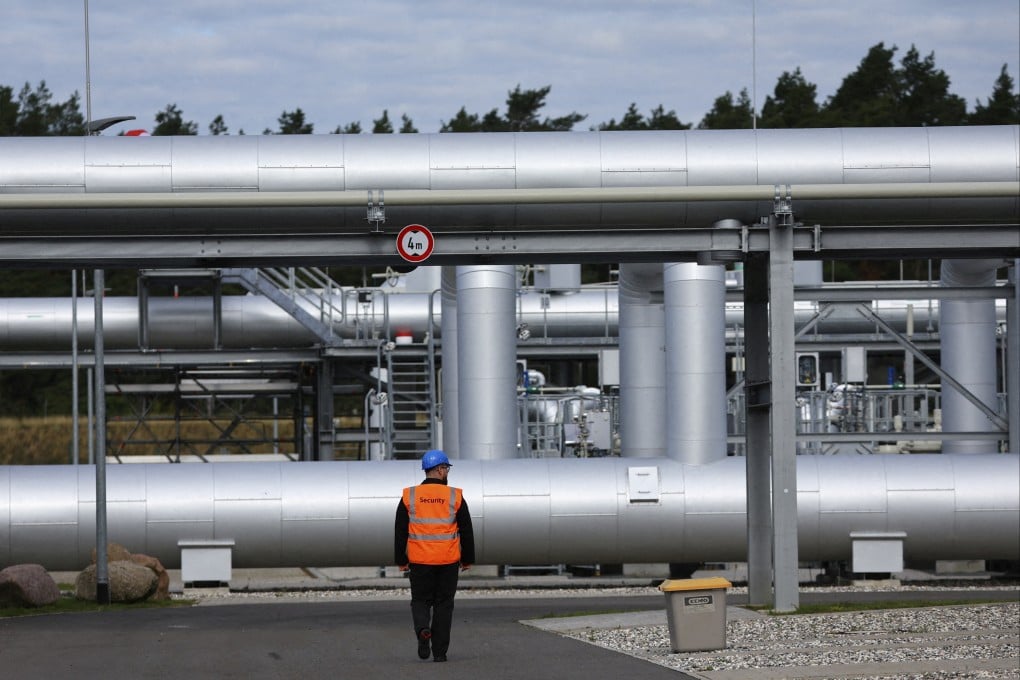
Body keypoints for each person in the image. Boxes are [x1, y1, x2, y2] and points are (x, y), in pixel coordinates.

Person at [394, 449, 475, 663]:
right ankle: (439, 653)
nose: (447, 472)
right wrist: (467, 559)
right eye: (446, 468)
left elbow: (400, 530)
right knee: (443, 605)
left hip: (420, 560)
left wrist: (401, 561)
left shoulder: (409, 495)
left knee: (420, 601)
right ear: (440, 469)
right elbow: (466, 529)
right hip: (447, 561)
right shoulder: (455, 495)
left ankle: (422, 630)